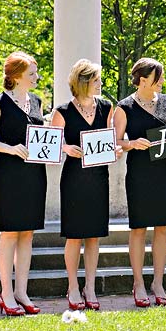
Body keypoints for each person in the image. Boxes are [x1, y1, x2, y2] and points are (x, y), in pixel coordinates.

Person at [0, 52, 47, 316]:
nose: (37, 77)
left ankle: (21, 292)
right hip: (9, 176)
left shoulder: (36, 101)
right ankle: (6, 294)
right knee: (10, 234)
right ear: (16, 76)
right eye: (32, 74)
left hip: (35, 174)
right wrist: (10, 148)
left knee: (27, 234)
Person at [51, 59, 120, 311]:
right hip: (74, 179)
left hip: (99, 177)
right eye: (96, 80)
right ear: (83, 82)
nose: (100, 84)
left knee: (94, 236)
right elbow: (51, 145)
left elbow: (111, 139)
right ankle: (72, 286)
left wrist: (115, 150)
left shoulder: (106, 107)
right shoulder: (62, 111)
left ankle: (89, 287)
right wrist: (66, 148)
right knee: (74, 236)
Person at [114, 58, 166, 307]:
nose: (162, 80)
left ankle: (158, 283)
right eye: (157, 77)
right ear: (143, 80)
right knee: (139, 228)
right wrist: (131, 144)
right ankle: (139, 283)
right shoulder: (124, 107)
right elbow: (116, 141)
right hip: (140, 172)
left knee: (163, 227)